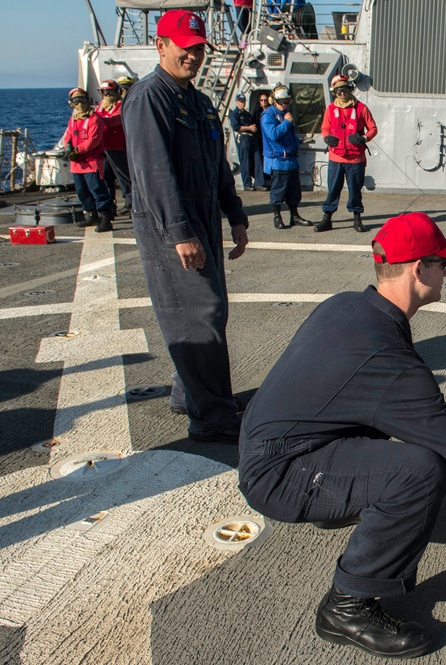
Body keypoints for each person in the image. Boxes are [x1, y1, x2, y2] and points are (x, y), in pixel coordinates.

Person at [239, 211, 446, 659]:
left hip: (275, 446)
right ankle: (348, 605)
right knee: (419, 471)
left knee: (395, 430)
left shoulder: (348, 305)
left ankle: (335, 502)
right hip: (278, 475)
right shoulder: (387, 357)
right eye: (442, 261)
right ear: (419, 268)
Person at [122, 9, 250, 443]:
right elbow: (153, 172)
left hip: (203, 218)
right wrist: (179, 232)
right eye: (185, 48)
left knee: (209, 312)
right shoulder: (147, 98)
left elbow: (218, 167)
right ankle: (213, 418)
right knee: (198, 316)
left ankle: (189, 394)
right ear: (161, 46)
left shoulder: (197, 102)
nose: (193, 56)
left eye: (198, 49)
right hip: (170, 225)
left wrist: (236, 216)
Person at [316, 75, 378, 234]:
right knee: (333, 189)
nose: (342, 93)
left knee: (355, 189)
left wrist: (363, 138)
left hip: (355, 158)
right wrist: (326, 138)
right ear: (335, 92)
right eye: (338, 91)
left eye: (344, 90)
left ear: (350, 90)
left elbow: (373, 129)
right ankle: (327, 218)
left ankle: (357, 218)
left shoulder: (361, 108)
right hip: (336, 158)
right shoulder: (330, 109)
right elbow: (324, 129)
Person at [61, 88, 114, 233]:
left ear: (88, 101)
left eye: (82, 100)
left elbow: (94, 140)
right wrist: (67, 148)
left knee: (97, 189)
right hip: (77, 164)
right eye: (76, 101)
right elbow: (68, 135)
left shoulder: (94, 119)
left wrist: (77, 150)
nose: (80, 104)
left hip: (91, 162)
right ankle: (91, 214)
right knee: (82, 191)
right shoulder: (73, 119)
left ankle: (105, 218)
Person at [261, 85, 313, 229]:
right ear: (275, 100)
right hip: (278, 160)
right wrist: (286, 122)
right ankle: (277, 217)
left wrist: (298, 141)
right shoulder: (268, 115)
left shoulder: (286, 112)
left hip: (291, 159)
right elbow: (273, 134)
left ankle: (294, 216)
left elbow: (289, 136)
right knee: (278, 190)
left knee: (294, 191)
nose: (285, 104)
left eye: (287, 101)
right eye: (282, 101)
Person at [95, 79, 132, 216]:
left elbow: (113, 121)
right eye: (104, 92)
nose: (107, 95)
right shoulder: (100, 107)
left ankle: (131, 202)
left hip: (119, 147)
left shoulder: (122, 106)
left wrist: (94, 118)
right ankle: (110, 204)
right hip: (103, 148)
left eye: (110, 92)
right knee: (106, 178)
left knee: (124, 177)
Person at [228, 93, 264, 191]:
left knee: (258, 160)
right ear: (237, 101)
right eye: (240, 101)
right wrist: (249, 128)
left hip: (252, 138)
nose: (242, 103)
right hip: (243, 137)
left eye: (243, 101)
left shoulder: (247, 114)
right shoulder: (234, 114)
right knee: (245, 161)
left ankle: (259, 183)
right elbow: (236, 127)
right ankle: (247, 184)